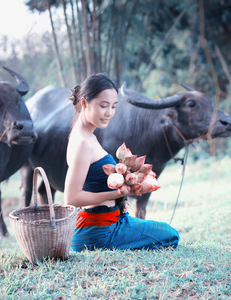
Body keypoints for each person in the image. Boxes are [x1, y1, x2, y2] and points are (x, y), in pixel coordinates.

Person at [64, 73, 180, 251]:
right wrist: (116, 195)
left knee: (163, 231)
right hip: (99, 232)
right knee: (171, 234)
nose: (109, 113)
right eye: (103, 106)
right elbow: (71, 198)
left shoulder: (85, 136)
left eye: (113, 106)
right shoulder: (83, 143)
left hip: (104, 224)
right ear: (84, 103)